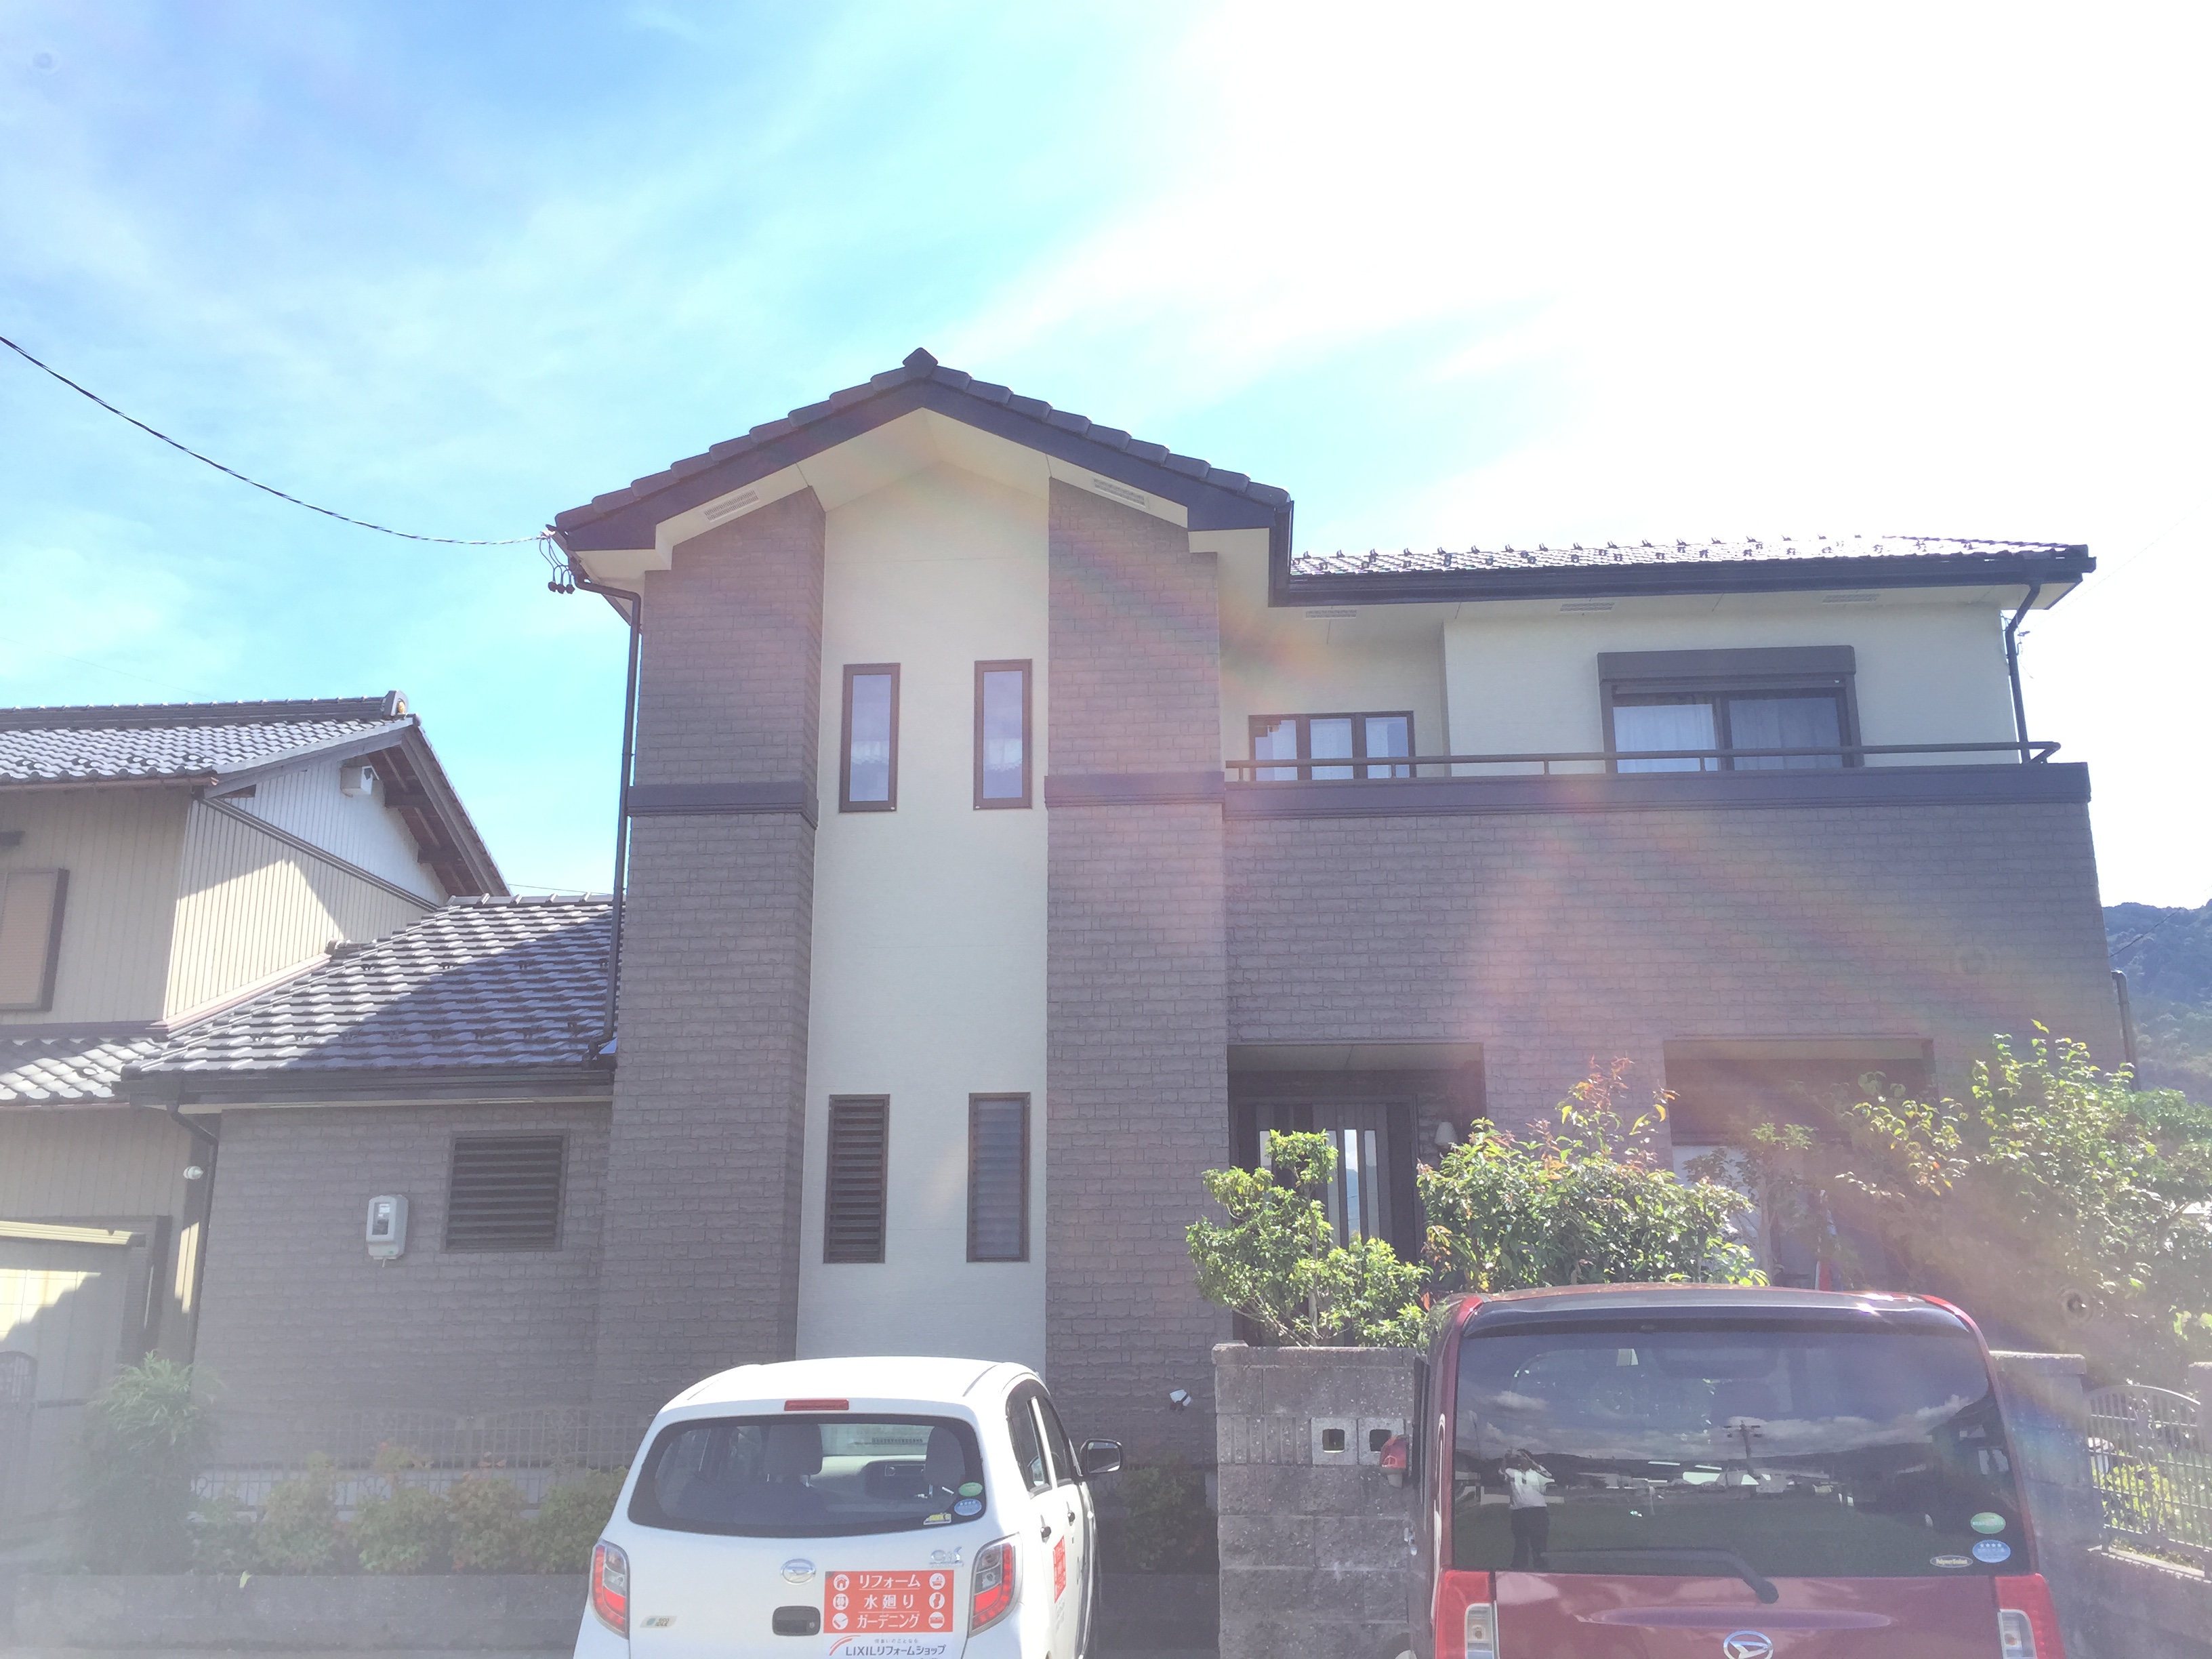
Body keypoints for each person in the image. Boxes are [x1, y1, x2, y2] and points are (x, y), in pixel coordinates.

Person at [1502, 1449, 1552, 1571]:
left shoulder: (1537, 1474)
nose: (1521, 1460)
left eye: (1523, 1458)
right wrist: (1506, 1458)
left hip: (1538, 1512)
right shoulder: (1513, 1473)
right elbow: (1502, 1471)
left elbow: (1548, 1476)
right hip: (1519, 1513)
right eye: (1519, 1458)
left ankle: (1541, 1568)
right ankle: (1519, 1568)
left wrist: (1531, 1461)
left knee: (1539, 1543)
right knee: (1520, 1543)